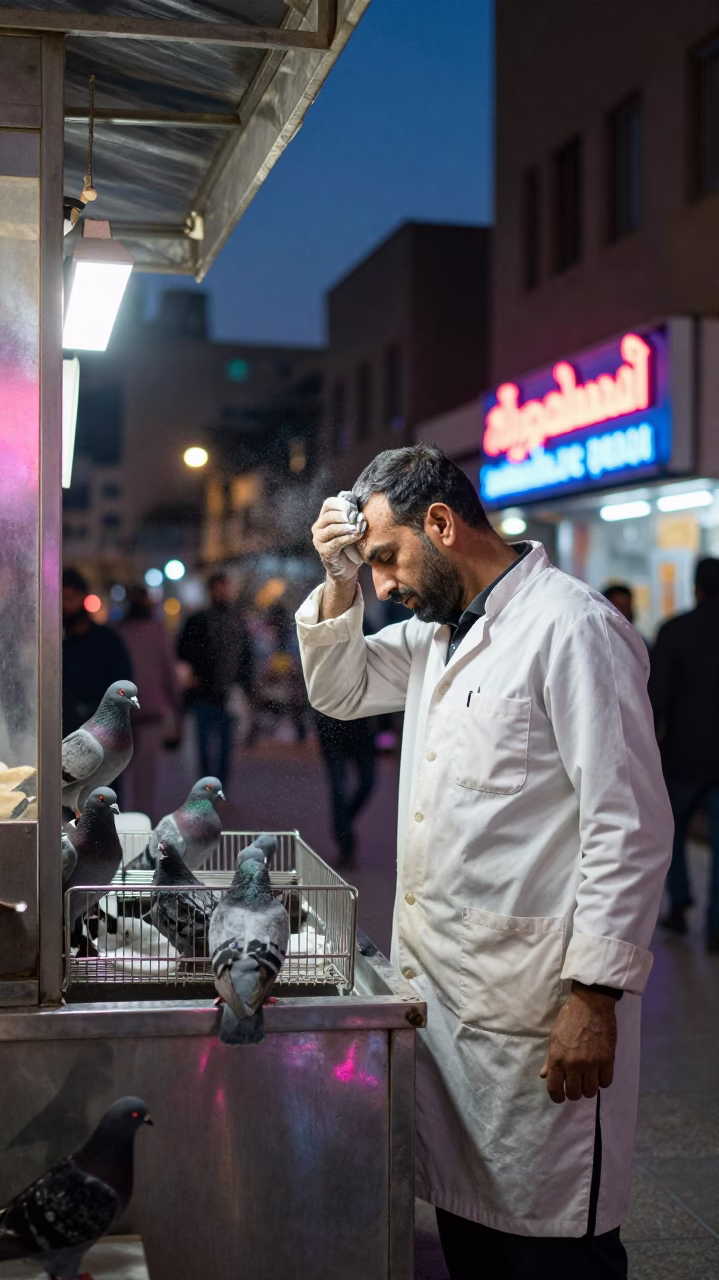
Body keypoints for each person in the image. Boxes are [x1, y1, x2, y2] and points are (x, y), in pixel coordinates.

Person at [296, 444, 671, 1279]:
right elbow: (339, 689)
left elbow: (630, 824)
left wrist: (595, 995)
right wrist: (340, 579)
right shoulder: (436, 637)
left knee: (550, 1249)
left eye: (387, 558)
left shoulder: (572, 628)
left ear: (441, 522)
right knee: (474, 1242)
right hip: (452, 1007)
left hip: (541, 1012)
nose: (385, 584)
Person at [649, 557, 719, 952]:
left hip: (683, 756)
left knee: (670, 835)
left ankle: (679, 904)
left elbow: (657, 698)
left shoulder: (674, 631)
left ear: (696, 587)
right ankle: (716, 925)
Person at [177, 571, 254, 785]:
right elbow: (182, 652)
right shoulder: (198, 621)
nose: (223, 593)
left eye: (225, 588)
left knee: (225, 747)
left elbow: (247, 657)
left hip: (228, 694)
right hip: (203, 694)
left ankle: (220, 786)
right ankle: (207, 786)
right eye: (218, 588)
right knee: (205, 746)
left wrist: (245, 688)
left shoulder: (238, 620)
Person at [116, 586, 182, 822]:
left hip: (121, 715)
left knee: (117, 776)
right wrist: (177, 709)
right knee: (146, 779)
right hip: (151, 713)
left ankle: (116, 824)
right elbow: (170, 675)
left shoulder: (119, 632)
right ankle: (140, 828)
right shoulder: (158, 632)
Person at [62, 567, 133, 734]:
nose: (67, 605)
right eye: (63, 598)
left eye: (71, 597)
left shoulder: (107, 640)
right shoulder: (56, 642)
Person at [313, 711, 376, 865]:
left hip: (363, 727)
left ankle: (342, 827)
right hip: (332, 726)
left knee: (367, 783)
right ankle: (345, 842)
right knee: (339, 788)